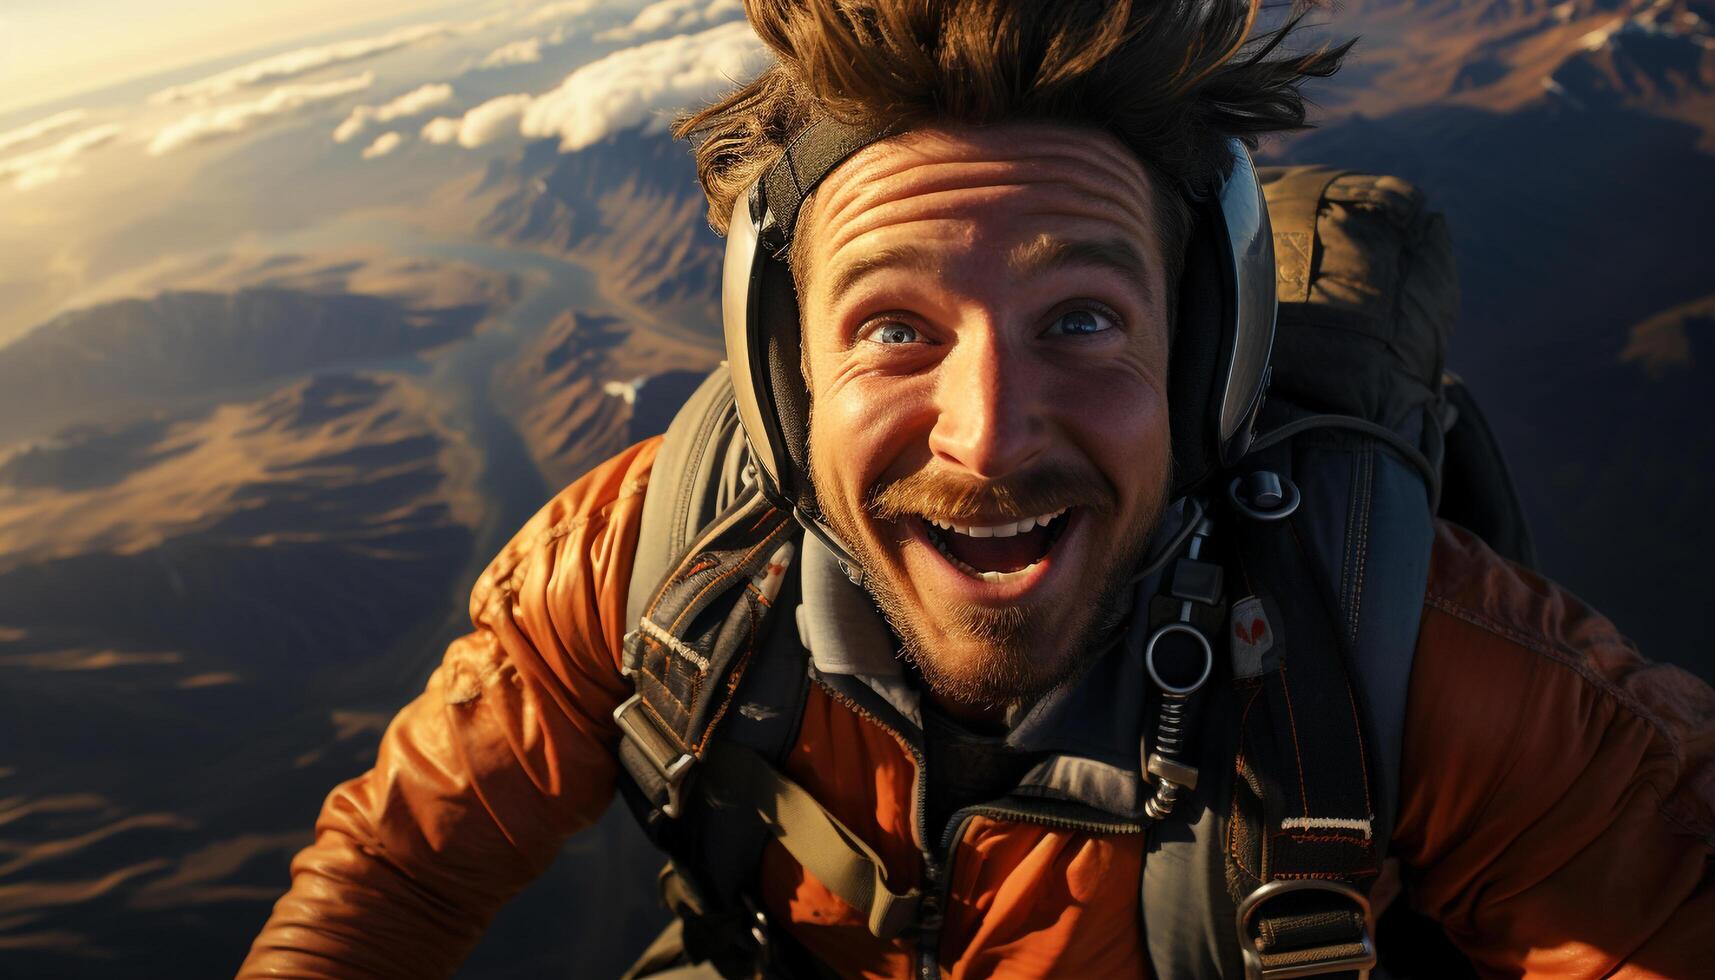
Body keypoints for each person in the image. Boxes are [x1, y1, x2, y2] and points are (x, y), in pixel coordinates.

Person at [241, 1, 1715, 977]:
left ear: (1208, 359)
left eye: (1082, 318)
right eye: (893, 328)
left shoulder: (1400, 656)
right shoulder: (646, 566)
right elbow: (390, 882)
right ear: (782, 373)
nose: (991, 436)